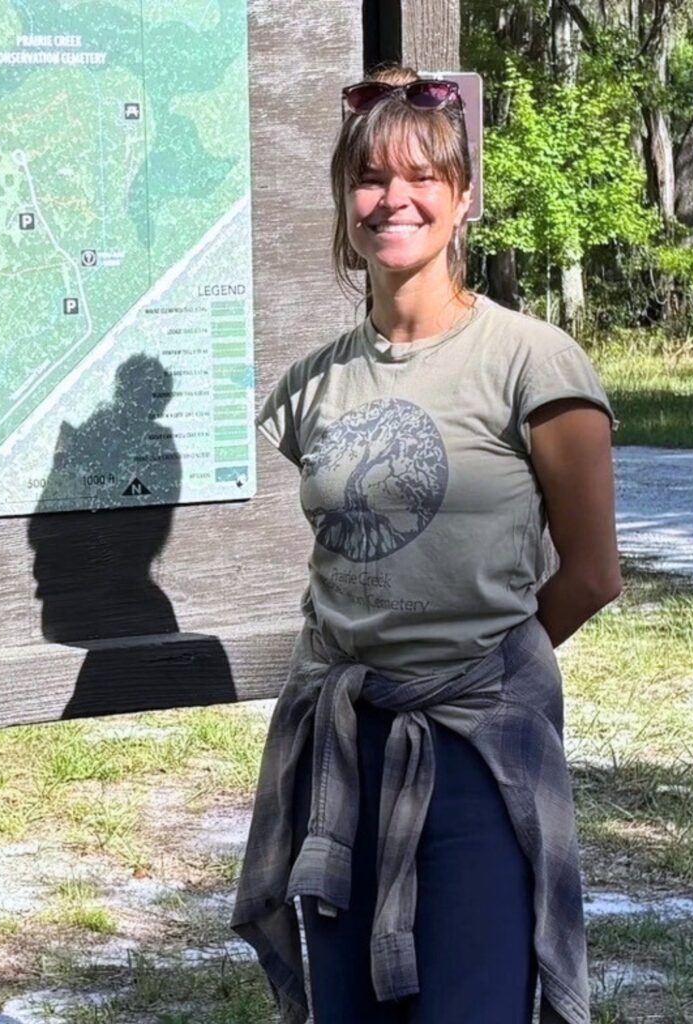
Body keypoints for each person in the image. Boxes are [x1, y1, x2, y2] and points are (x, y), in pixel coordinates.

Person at [231, 64, 621, 1024]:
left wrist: (481, 668)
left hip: (475, 749)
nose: (393, 199)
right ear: (343, 197)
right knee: (349, 1008)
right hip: (338, 740)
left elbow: (593, 572)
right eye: (370, 178)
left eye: (422, 178)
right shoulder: (309, 388)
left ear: (463, 198)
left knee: (471, 1005)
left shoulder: (531, 362)